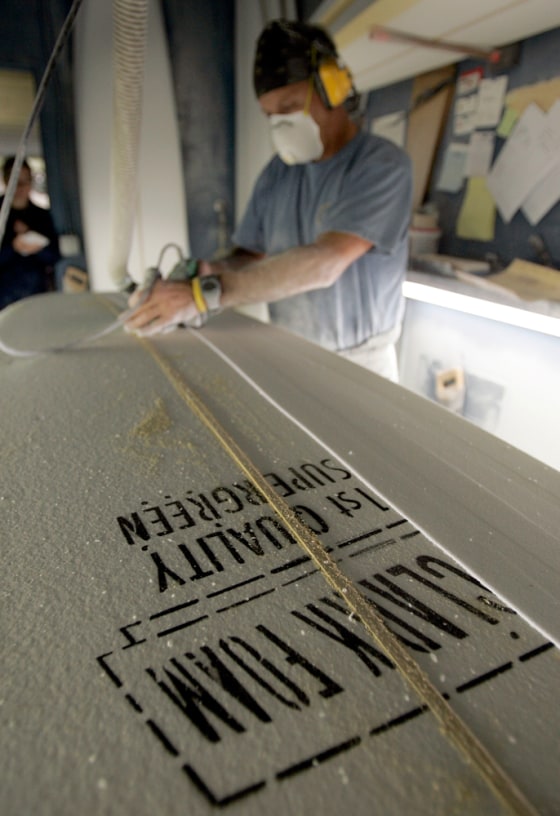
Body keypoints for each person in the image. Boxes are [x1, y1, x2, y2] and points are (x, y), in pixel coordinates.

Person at [125, 19, 412, 381]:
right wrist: (208, 272)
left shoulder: (380, 165)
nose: (280, 125)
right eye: (270, 115)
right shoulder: (279, 172)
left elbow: (325, 262)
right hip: (290, 347)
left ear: (334, 89)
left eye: (290, 107)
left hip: (360, 362)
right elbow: (249, 258)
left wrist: (201, 296)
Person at [0, 156, 60, 310]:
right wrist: (13, 247)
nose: (20, 187)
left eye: (25, 181)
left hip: (35, 295)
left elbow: (54, 255)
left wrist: (37, 247)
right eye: (15, 181)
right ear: (6, 181)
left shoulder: (41, 215)